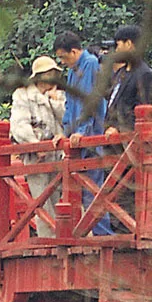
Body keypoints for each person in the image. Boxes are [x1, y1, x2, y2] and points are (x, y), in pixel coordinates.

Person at [53, 29, 111, 234]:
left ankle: (103, 232)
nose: (62, 61)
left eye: (63, 56)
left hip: (91, 133)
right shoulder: (71, 71)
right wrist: (66, 132)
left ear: (75, 51)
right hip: (78, 134)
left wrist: (83, 132)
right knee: (81, 186)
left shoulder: (90, 64)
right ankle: (90, 232)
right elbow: (70, 105)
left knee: (93, 186)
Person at [11, 55, 66, 237]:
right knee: (41, 199)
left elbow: (66, 120)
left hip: (58, 154)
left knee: (63, 197)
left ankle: (67, 235)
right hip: (36, 155)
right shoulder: (23, 94)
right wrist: (35, 145)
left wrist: (56, 102)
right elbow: (19, 125)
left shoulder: (58, 93)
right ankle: (47, 239)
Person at [105, 25, 152, 133]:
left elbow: (142, 111)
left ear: (128, 44)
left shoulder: (143, 73)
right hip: (110, 139)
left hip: (128, 140)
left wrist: (118, 129)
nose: (116, 50)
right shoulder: (120, 73)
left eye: (118, 45)